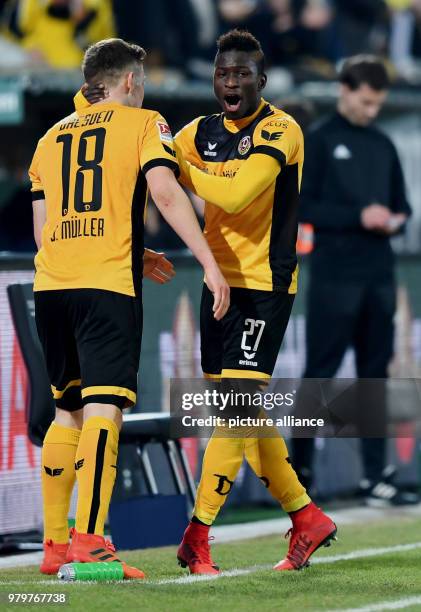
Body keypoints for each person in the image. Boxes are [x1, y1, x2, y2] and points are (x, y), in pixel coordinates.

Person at [79, 29, 337, 575]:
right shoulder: (199, 132)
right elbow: (147, 171)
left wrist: (181, 170)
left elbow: (237, 193)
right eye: (223, 74)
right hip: (218, 283)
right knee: (240, 416)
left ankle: (197, 534)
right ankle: (307, 516)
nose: (232, 82)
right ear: (214, 80)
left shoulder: (280, 128)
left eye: (242, 73)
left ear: (260, 80)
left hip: (265, 284)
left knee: (235, 412)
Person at [29, 37, 229, 579]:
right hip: (104, 289)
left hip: (50, 288)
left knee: (65, 410)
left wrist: (128, 246)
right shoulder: (143, 124)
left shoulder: (48, 139)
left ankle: (53, 546)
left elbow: (44, 231)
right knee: (104, 410)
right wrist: (209, 262)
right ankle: (91, 545)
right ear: (131, 82)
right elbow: (164, 193)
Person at [292, 55, 416, 507]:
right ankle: (299, 473)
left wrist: (394, 219)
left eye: (377, 103)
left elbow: (404, 206)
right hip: (334, 277)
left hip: (379, 276)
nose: (371, 111)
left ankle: (375, 476)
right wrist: (358, 216)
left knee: (374, 376)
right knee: (320, 375)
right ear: (345, 90)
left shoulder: (382, 143)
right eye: (365, 102)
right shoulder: (320, 141)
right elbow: (303, 207)